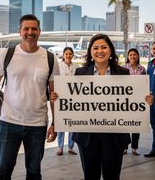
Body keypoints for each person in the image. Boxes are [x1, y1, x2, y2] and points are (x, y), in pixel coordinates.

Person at [0, 14, 59, 180]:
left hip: (37, 125)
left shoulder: (50, 59)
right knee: (3, 170)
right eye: (26, 29)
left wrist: (55, 123)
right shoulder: (7, 54)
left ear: (39, 31)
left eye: (34, 29)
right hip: (9, 122)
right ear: (20, 31)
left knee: (34, 172)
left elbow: (55, 95)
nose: (30, 32)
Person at [52, 34, 131, 180]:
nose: (99, 51)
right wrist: (59, 97)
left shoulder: (123, 73)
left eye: (103, 47)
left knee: (112, 176)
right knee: (90, 176)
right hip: (88, 136)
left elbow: (131, 101)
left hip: (114, 135)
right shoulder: (80, 73)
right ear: (90, 52)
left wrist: (145, 100)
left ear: (111, 51)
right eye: (95, 48)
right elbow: (72, 100)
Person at [123, 48, 146, 156]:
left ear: (138, 56)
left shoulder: (142, 69)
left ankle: (134, 148)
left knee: (136, 125)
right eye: (130, 55)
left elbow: (145, 84)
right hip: (125, 100)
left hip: (138, 101)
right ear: (128, 56)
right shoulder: (123, 68)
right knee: (125, 125)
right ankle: (124, 147)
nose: (133, 57)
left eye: (135, 55)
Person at [56, 47, 78, 156]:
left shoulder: (76, 67)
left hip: (74, 98)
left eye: (70, 54)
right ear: (63, 55)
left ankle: (70, 147)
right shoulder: (59, 66)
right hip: (62, 98)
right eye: (66, 54)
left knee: (72, 124)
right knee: (61, 124)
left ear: (72, 55)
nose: (68, 56)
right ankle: (60, 147)